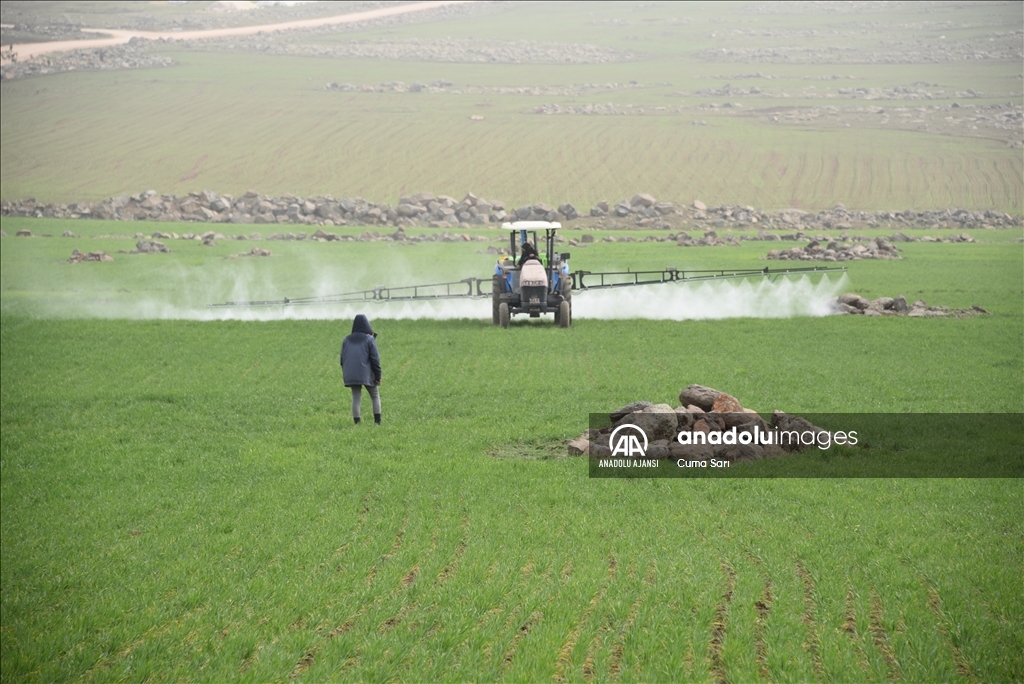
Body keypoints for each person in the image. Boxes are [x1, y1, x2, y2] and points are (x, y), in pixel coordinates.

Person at [340, 314, 382, 424]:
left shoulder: (346, 339)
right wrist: (378, 376)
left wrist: (347, 372)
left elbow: (342, 360)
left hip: (350, 374)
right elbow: (375, 359)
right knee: (375, 395)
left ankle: (357, 423)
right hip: (366, 373)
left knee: (356, 397)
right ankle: (377, 423)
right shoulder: (369, 339)